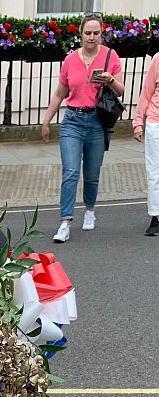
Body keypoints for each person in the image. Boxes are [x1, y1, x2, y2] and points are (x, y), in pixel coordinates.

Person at [41, 14, 124, 243]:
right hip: (72, 121)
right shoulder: (70, 60)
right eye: (88, 33)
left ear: (101, 34)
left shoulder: (110, 56)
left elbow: (120, 91)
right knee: (70, 172)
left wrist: (109, 80)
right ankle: (65, 222)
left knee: (92, 173)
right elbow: (60, 93)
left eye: (96, 33)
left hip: (97, 121)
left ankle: (89, 210)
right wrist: (46, 122)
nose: (92, 37)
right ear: (80, 34)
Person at [133, 52, 159, 237]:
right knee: (155, 172)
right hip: (156, 123)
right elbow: (147, 91)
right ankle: (156, 217)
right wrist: (138, 122)